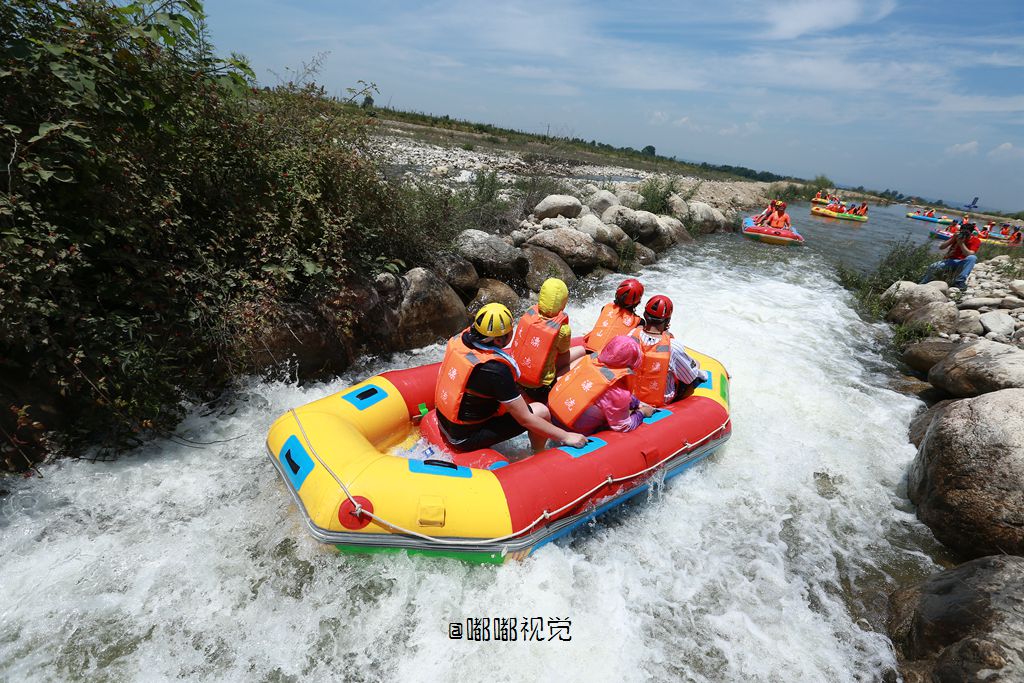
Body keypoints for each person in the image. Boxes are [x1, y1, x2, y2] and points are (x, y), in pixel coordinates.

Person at [434, 303, 587, 452]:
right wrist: (566, 436)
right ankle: (538, 453)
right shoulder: (496, 370)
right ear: (499, 340)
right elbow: (524, 419)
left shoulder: (460, 339)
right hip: (464, 438)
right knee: (541, 411)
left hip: (445, 421)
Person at [548, 336, 654, 436]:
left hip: (552, 413)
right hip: (572, 431)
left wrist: (635, 402)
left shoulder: (589, 360)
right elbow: (623, 426)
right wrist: (642, 413)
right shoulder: (618, 392)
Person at [508, 278, 582, 403]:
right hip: (540, 388)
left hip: (516, 374)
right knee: (581, 353)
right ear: (563, 302)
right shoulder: (563, 329)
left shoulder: (530, 312)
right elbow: (563, 350)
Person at [628, 295, 708, 407]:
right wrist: (697, 365)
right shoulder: (673, 347)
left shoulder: (630, 335)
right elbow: (690, 377)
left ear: (645, 315)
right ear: (668, 320)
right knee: (692, 371)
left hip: (630, 399)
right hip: (658, 403)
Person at [582, 278, 644, 353]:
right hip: (608, 358)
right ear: (638, 302)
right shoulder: (639, 322)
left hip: (588, 351)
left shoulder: (605, 307)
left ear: (617, 293)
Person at [919, 223, 982, 291]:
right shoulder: (957, 236)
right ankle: (923, 283)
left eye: (966, 233)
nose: (964, 235)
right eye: (962, 232)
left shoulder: (976, 240)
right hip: (951, 260)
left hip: (963, 262)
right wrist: (953, 239)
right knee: (933, 266)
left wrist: (961, 243)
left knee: (973, 258)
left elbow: (969, 254)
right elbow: (941, 247)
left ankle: (960, 281)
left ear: (971, 233)